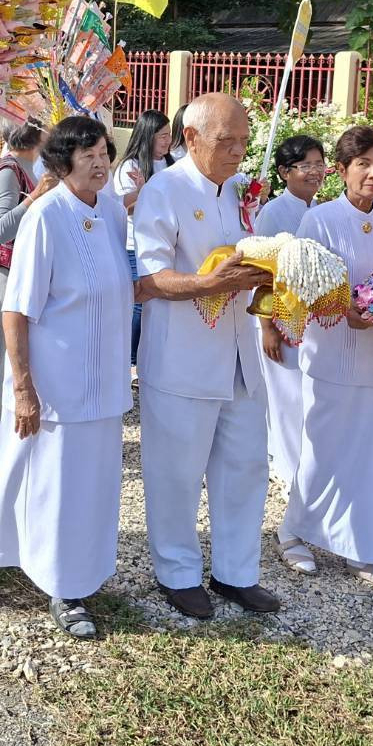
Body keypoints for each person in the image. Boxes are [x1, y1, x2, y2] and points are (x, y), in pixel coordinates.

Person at [0, 116, 133, 639]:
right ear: (61, 160)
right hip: (57, 382)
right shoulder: (46, 216)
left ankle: (89, 571)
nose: (99, 162)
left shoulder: (112, 212)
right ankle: (60, 586)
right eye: (87, 153)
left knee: (95, 483)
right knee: (59, 485)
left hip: (104, 380)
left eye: (104, 152)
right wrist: (23, 386)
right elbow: (16, 311)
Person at [134, 92, 278, 620]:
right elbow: (147, 279)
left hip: (240, 353)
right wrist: (206, 283)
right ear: (191, 138)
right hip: (183, 358)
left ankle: (236, 573)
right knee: (176, 471)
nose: (238, 151)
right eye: (226, 141)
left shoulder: (241, 191)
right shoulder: (163, 191)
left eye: (244, 141)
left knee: (244, 467)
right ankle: (176, 572)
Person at [279, 126, 373, 592]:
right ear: (343, 170)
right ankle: (294, 531)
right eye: (364, 164)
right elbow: (305, 289)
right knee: (324, 450)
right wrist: (348, 310)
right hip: (334, 352)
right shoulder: (320, 220)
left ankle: (367, 548)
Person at [254, 134, 326, 490]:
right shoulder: (274, 212)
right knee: (285, 397)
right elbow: (263, 274)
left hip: (311, 320)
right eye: (306, 166)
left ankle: (304, 466)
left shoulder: (319, 210)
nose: (315, 172)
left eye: (319, 164)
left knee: (306, 397)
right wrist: (267, 327)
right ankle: (286, 470)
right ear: (285, 172)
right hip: (281, 317)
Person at [0, 121, 56, 442]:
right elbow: (1, 229)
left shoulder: (36, 164)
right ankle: (0, 426)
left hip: (28, 267)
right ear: (34, 135)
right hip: (7, 271)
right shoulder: (10, 170)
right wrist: (35, 197)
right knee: (8, 350)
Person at [113, 110, 175, 378]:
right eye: (162, 136)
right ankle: (130, 360)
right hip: (134, 243)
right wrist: (145, 188)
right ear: (147, 135)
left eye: (169, 135)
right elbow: (126, 206)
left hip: (164, 241)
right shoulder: (131, 166)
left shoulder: (171, 163)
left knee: (158, 301)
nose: (167, 141)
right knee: (138, 301)